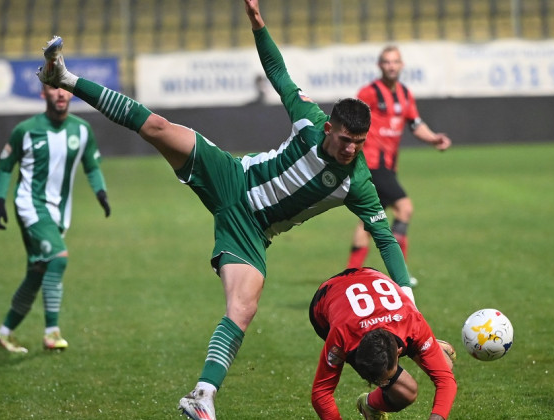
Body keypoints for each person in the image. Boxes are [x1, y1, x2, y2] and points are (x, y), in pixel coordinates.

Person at [36, 0, 412, 417]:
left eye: (359, 143)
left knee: (243, 307)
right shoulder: (308, 119)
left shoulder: (358, 181)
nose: (351, 149)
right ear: (330, 129)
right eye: (345, 140)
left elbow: (384, 237)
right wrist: (258, 22)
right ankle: (64, 77)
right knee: (157, 127)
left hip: (252, 231)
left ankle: (202, 396)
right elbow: (278, 73)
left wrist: (407, 300)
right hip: (233, 177)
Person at [0, 83, 111, 353]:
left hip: (59, 212)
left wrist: (101, 192)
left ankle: (4, 332)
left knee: (38, 271)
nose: (60, 93)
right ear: (43, 93)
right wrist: (0, 201)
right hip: (30, 205)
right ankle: (51, 333)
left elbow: (91, 166)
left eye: (64, 88)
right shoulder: (26, 130)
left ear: (71, 93)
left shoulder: (81, 130)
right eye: (53, 88)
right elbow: (5, 165)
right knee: (58, 258)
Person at [346, 46, 452, 286]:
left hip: (388, 167)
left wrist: (434, 138)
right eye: (386, 62)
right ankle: (399, 274)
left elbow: (415, 124)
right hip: (372, 164)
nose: (391, 66)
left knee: (368, 220)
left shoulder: (405, 93)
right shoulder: (369, 92)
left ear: (401, 65)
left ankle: (350, 275)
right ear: (379, 66)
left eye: (395, 62)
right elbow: (351, 119)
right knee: (404, 208)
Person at [309, 267, 456, 419]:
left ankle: (369, 405)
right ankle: (429, 348)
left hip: (370, 276)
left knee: (442, 368)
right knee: (406, 391)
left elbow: (445, 381)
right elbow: (321, 393)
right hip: (323, 302)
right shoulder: (341, 338)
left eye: (383, 380)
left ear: (399, 352)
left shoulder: (414, 322)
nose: (381, 384)